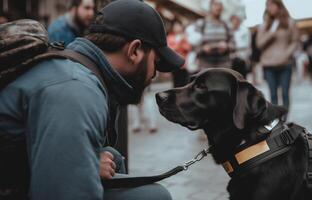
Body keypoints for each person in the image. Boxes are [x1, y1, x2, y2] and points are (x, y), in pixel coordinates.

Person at [0, 0, 184, 199]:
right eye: (156, 63)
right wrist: (81, 167)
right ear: (135, 51)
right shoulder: (75, 89)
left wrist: (83, 163)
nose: (154, 74)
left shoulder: (73, 69)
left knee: (111, 157)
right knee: (153, 197)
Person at [256, 0, 299, 113]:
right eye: (267, 5)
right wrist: (271, 32)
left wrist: (286, 54)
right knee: (273, 94)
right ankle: (276, 119)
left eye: (272, 4)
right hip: (269, 64)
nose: (270, 7)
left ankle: (284, 118)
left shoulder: (290, 23)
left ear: (279, 5)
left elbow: (294, 41)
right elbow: (259, 44)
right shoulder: (263, 25)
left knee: (285, 93)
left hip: (285, 63)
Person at [194, 0, 233, 70]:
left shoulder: (226, 25)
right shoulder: (201, 24)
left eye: (220, 5)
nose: (218, 7)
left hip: (224, 65)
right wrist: (203, 48)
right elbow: (193, 45)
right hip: (205, 65)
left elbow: (234, 44)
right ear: (210, 6)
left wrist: (227, 46)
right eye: (215, 4)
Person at [167, 20, 191, 87]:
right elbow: (170, 50)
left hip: (184, 65)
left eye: (179, 26)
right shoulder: (170, 37)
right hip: (174, 64)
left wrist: (182, 41)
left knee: (185, 83)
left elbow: (188, 48)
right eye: (175, 26)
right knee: (176, 83)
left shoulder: (184, 37)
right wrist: (180, 42)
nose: (177, 27)